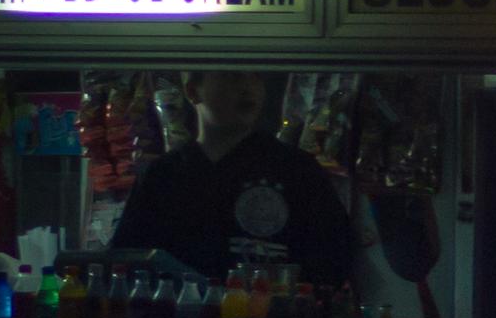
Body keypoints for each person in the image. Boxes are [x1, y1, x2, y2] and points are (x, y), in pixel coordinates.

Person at [110, 70, 356, 291]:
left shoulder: (295, 170)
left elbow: (334, 259)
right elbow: (126, 260)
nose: (248, 88)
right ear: (193, 91)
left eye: (255, 77)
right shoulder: (164, 174)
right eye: (233, 76)